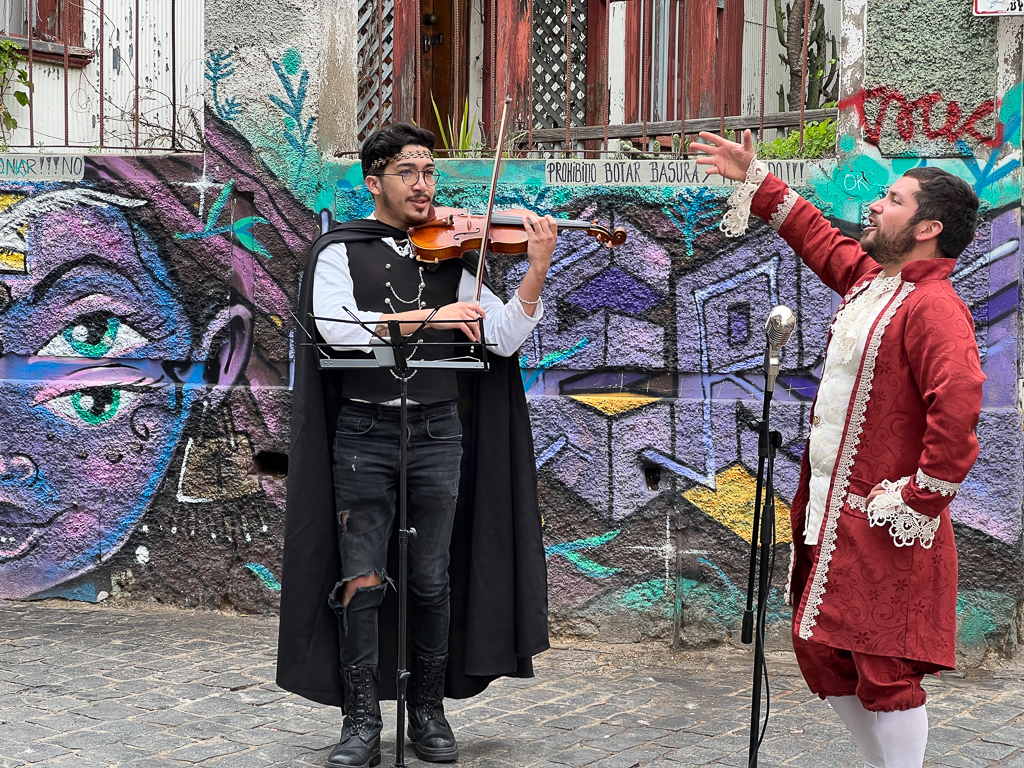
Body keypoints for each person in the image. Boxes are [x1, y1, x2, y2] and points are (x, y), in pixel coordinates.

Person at [693, 130, 985, 768]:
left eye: (894, 200)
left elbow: (959, 405)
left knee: (885, 666)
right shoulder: (874, 282)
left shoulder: (935, 307)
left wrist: (918, 499)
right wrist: (756, 179)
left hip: (887, 518)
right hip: (833, 513)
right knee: (824, 650)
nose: (876, 205)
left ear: (928, 228)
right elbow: (821, 240)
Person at [277, 122, 553, 768]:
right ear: (374, 182)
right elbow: (338, 330)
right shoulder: (338, 251)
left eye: (429, 171)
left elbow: (501, 336)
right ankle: (360, 722)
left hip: (436, 433)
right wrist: (430, 318)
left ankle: (428, 710)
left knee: (431, 577)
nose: (423, 184)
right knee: (361, 578)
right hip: (363, 434)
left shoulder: (450, 256)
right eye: (408, 172)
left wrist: (535, 272)